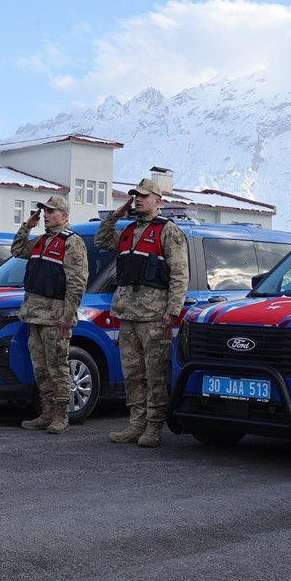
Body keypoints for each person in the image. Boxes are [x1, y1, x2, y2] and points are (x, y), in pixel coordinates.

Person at [95, 178, 189, 448]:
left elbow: (180, 275)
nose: (137, 199)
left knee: (154, 374)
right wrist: (116, 214)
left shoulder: (168, 231)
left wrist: (172, 310)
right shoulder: (128, 230)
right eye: (135, 196)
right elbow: (102, 239)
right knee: (132, 373)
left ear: (157, 201)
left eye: (143, 196)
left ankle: (154, 427)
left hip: (154, 315)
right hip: (128, 314)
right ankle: (136, 424)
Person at [13, 196, 89, 434]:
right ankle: (46, 412)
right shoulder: (40, 241)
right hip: (35, 314)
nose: (46, 214)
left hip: (56, 317)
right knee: (40, 367)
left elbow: (77, 282)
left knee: (57, 366)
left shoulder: (72, 242)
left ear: (64, 216)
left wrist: (68, 315)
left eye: (51, 211)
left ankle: (61, 414)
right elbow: (17, 249)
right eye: (44, 211)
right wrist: (27, 225)